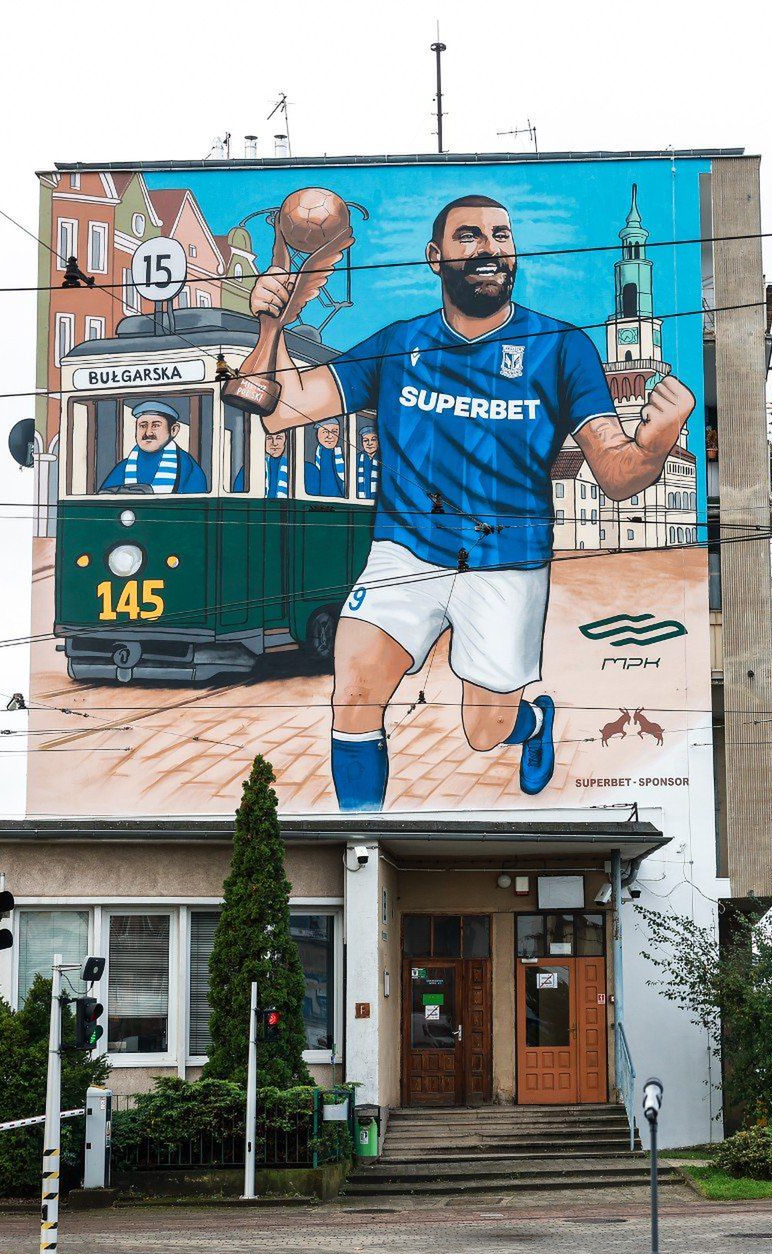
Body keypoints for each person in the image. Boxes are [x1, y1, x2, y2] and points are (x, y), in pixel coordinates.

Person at [250, 192, 694, 811]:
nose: (490, 249)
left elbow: (617, 476)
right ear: (436, 257)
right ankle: (362, 847)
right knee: (354, 686)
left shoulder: (562, 348)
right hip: (406, 550)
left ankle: (532, 723)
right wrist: (271, 322)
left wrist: (655, 443)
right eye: (470, 237)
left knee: (483, 733)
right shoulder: (399, 344)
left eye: (500, 236)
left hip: (508, 561)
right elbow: (280, 409)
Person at [100, 401, 210, 494]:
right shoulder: (123, 467)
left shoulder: (187, 467)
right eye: (143, 426)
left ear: (174, 430)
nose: (148, 433)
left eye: (155, 425)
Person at [305, 419, 347, 498]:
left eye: (334, 432)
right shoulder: (308, 460)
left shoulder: (345, 458)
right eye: (325, 431)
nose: (330, 436)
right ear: (317, 434)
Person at [354, 423, 381, 499]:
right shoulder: (356, 459)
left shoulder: (383, 458)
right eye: (366, 440)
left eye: (373, 439)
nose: (369, 443)